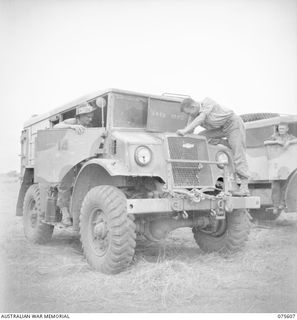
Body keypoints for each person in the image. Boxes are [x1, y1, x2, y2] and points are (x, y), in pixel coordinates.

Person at [177, 97, 250, 196]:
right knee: (202, 137)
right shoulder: (194, 114)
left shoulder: (207, 102)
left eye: (189, 113)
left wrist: (184, 131)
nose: (189, 115)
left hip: (233, 125)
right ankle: (225, 144)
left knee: (238, 153)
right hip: (221, 129)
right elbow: (189, 130)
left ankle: (244, 187)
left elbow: (200, 118)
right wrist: (181, 140)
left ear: (193, 107)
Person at [54, 102, 96, 226]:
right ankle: (65, 213)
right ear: (79, 116)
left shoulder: (90, 126)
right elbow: (56, 127)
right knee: (65, 184)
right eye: (87, 116)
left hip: (81, 158)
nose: (90, 118)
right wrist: (72, 127)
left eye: (91, 116)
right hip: (66, 158)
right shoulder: (72, 122)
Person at [264, 121, 297, 214]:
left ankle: (282, 204)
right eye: (279, 128)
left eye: (283, 128)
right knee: (275, 187)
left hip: (286, 167)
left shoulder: (290, 137)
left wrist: (289, 142)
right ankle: (275, 206)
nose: (280, 130)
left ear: (287, 129)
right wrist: (277, 142)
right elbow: (265, 142)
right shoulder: (274, 136)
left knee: (285, 186)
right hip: (275, 167)